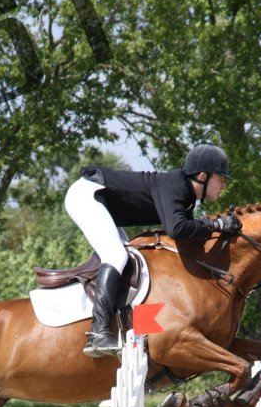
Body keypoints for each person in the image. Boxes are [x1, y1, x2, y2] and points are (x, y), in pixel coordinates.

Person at [65, 142, 242, 357]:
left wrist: (219, 231)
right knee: (116, 255)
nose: (223, 185)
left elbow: (187, 236)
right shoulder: (175, 186)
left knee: (126, 257)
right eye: (220, 179)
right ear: (203, 176)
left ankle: (121, 325)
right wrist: (217, 225)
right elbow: (177, 229)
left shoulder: (186, 198)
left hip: (103, 204)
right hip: (87, 196)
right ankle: (98, 333)